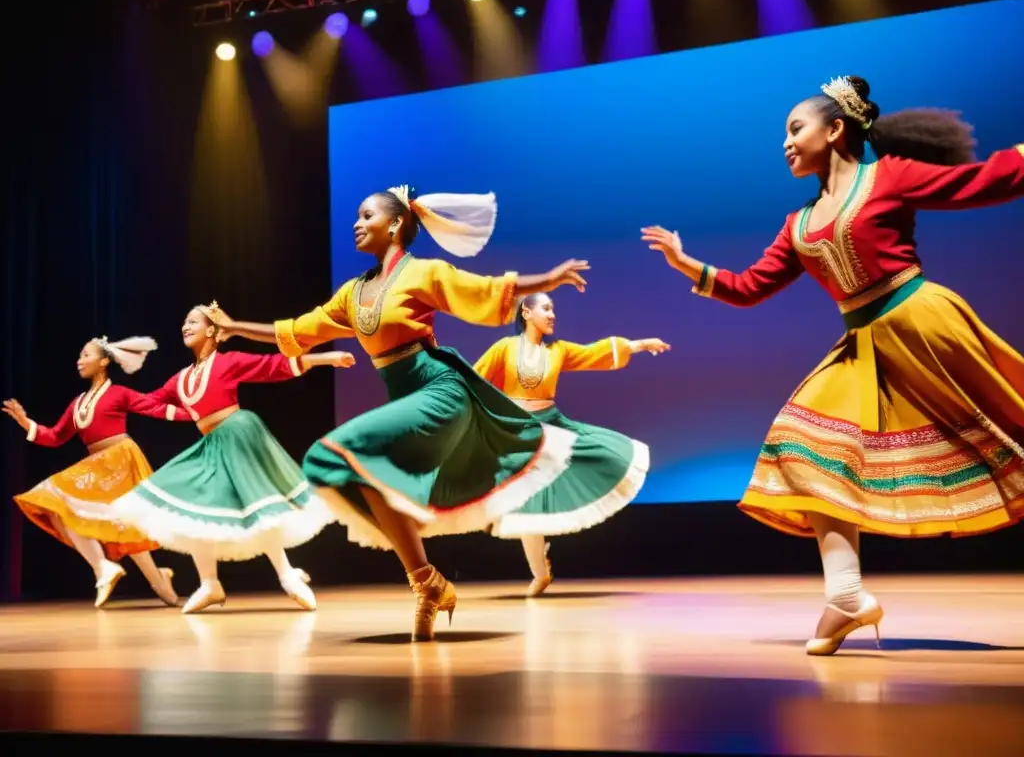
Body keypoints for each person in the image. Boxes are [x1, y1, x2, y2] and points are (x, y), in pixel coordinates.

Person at [642, 75, 1024, 656]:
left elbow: (975, 183)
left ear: (836, 128)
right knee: (799, 443)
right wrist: (685, 263)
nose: (786, 143)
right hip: (862, 345)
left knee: (1010, 430)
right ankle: (846, 596)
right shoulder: (798, 225)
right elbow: (749, 287)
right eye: (785, 135)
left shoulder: (888, 176)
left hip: (923, 325)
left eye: (796, 129)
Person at [212, 185, 591, 640]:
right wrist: (232, 327)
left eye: (365, 214)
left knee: (338, 450)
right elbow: (296, 331)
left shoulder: (423, 273)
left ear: (394, 224)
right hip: (408, 399)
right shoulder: (352, 295)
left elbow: (485, 291)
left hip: (439, 391)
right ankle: (429, 584)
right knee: (335, 466)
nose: (355, 222)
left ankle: (427, 580)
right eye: (355, 215)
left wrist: (548, 279)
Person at [108, 304, 355, 614]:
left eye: (194, 321)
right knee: (194, 510)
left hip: (239, 434)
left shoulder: (228, 362)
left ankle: (287, 574)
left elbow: (273, 366)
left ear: (212, 330)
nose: (186, 325)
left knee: (258, 504)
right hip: (212, 444)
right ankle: (210, 584)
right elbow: (148, 401)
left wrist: (325, 359)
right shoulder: (180, 380)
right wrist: (113, 395)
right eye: (185, 320)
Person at [473, 292, 669, 596]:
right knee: (525, 507)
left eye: (554, 310)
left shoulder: (558, 351)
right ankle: (541, 574)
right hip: (517, 433)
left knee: (604, 453)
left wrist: (639, 344)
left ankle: (541, 572)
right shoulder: (505, 348)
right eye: (546, 308)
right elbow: (473, 379)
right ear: (526, 312)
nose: (552, 315)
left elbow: (596, 353)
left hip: (552, 427)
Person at [4, 336, 186, 608]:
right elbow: (54, 436)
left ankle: (158, 582)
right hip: (98, 466)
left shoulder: (119, 393)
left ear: (103, 362)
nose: (79, 360)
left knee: (125, 525)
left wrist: (195, 414)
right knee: (63, 508)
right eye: (79, 356)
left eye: (85, 355)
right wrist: (25, 422)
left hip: (121, 461)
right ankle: (105, 568)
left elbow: (154, 407)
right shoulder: (78, 403)